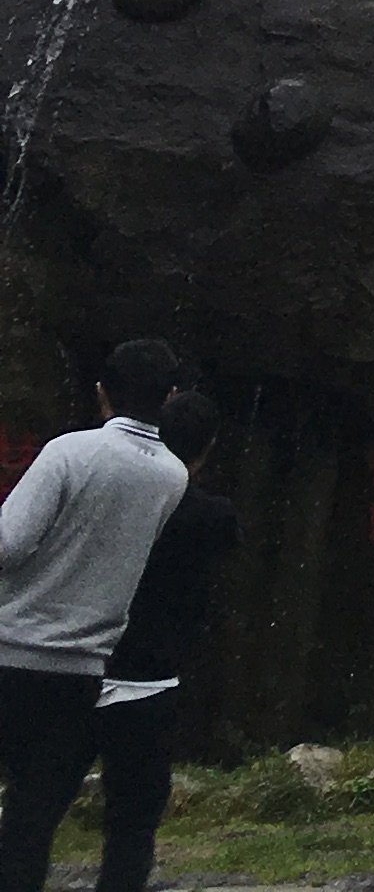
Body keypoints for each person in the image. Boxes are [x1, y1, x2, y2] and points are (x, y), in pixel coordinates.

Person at [0, 343, 192, 892]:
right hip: (81, 671)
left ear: (101, 391)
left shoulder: (70, 452)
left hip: (10, 648)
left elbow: (9, 545)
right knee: (31, 822)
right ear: (171, 398)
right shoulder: (172, 475)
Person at [91, 389, 234, 892]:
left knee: (36, 806)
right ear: (210, 445)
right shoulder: (211, 514)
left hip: (76, 663)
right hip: (151, 676)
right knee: (133, 822)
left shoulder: (106, 488)